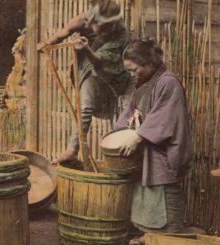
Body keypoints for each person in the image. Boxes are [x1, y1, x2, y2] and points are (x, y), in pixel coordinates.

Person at [115, 39, 193, 245]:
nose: (131, 74)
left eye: (134, 69)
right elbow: (129, 112)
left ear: (149, 63)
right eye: (128, 70)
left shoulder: (168, 82)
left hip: (162, 156)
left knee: (166, 215)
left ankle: (166, 239)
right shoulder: (143, 84)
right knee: (146, 209)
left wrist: (138, 135)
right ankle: (146, 239)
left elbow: (166, 117)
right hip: (145, 157)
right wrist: (119, 134)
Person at [37, 0, 132, 165]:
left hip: (116, 69)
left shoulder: (120, 31)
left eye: (111, 26)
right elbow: (62, 33)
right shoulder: (82, 20)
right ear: (92, 21)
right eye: (104, 27)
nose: (109, 30)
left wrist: (87, 50)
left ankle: (121, 157)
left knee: (123, 111)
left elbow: (103, 63)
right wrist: (47, 43)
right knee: (85, 105)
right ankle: (73, 149)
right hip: (89, 65)